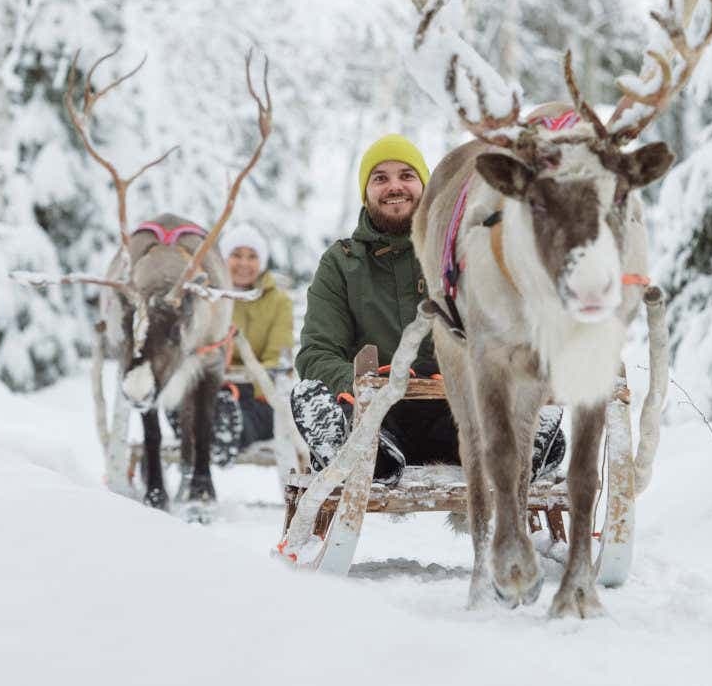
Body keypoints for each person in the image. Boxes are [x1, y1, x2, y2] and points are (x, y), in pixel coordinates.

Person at [293, 134, 565, 486]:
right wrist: (361, 387)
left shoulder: (460, 253)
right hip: (378, 421)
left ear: (424, 186)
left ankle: (523, 446)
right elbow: (317, 351)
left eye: (406, 176)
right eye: (381, 178)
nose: (395, 187)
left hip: (458, 418)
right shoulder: (341, 264)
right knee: (308, 396)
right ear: (366, 192)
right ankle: (367, 455)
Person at [171, 223, 293, 465]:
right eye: (236, 255)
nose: (244, 263)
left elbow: (277, 358)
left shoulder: (279, 302)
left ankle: (226, 430)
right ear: (224, 259)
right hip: (210, 384)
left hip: (256, 392)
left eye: (252, 256)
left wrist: (246, 383)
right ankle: (208, 425)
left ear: (262, 261)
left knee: (247, 417)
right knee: (183, 395)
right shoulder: (207, 296)